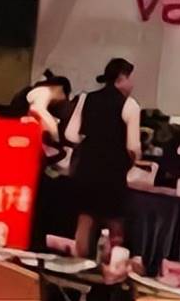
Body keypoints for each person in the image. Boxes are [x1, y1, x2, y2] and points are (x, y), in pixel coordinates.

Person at [65, 58, 141, 259]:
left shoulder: (86, 98)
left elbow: (71, 135)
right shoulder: (130, 105)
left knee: (85, 219)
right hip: (113, 170)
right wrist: (132, 161)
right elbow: (133, 147)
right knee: (115, 222)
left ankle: (78, 263)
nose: (132, 84)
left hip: (87, 167)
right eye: (131, 78)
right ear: (121, 78)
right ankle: (112, 265)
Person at [9, 70, 72, 143]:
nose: (61, 100)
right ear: (59, 88)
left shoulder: (44, 93)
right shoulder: (44, 92)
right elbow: (38, 109)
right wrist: (55, 134)